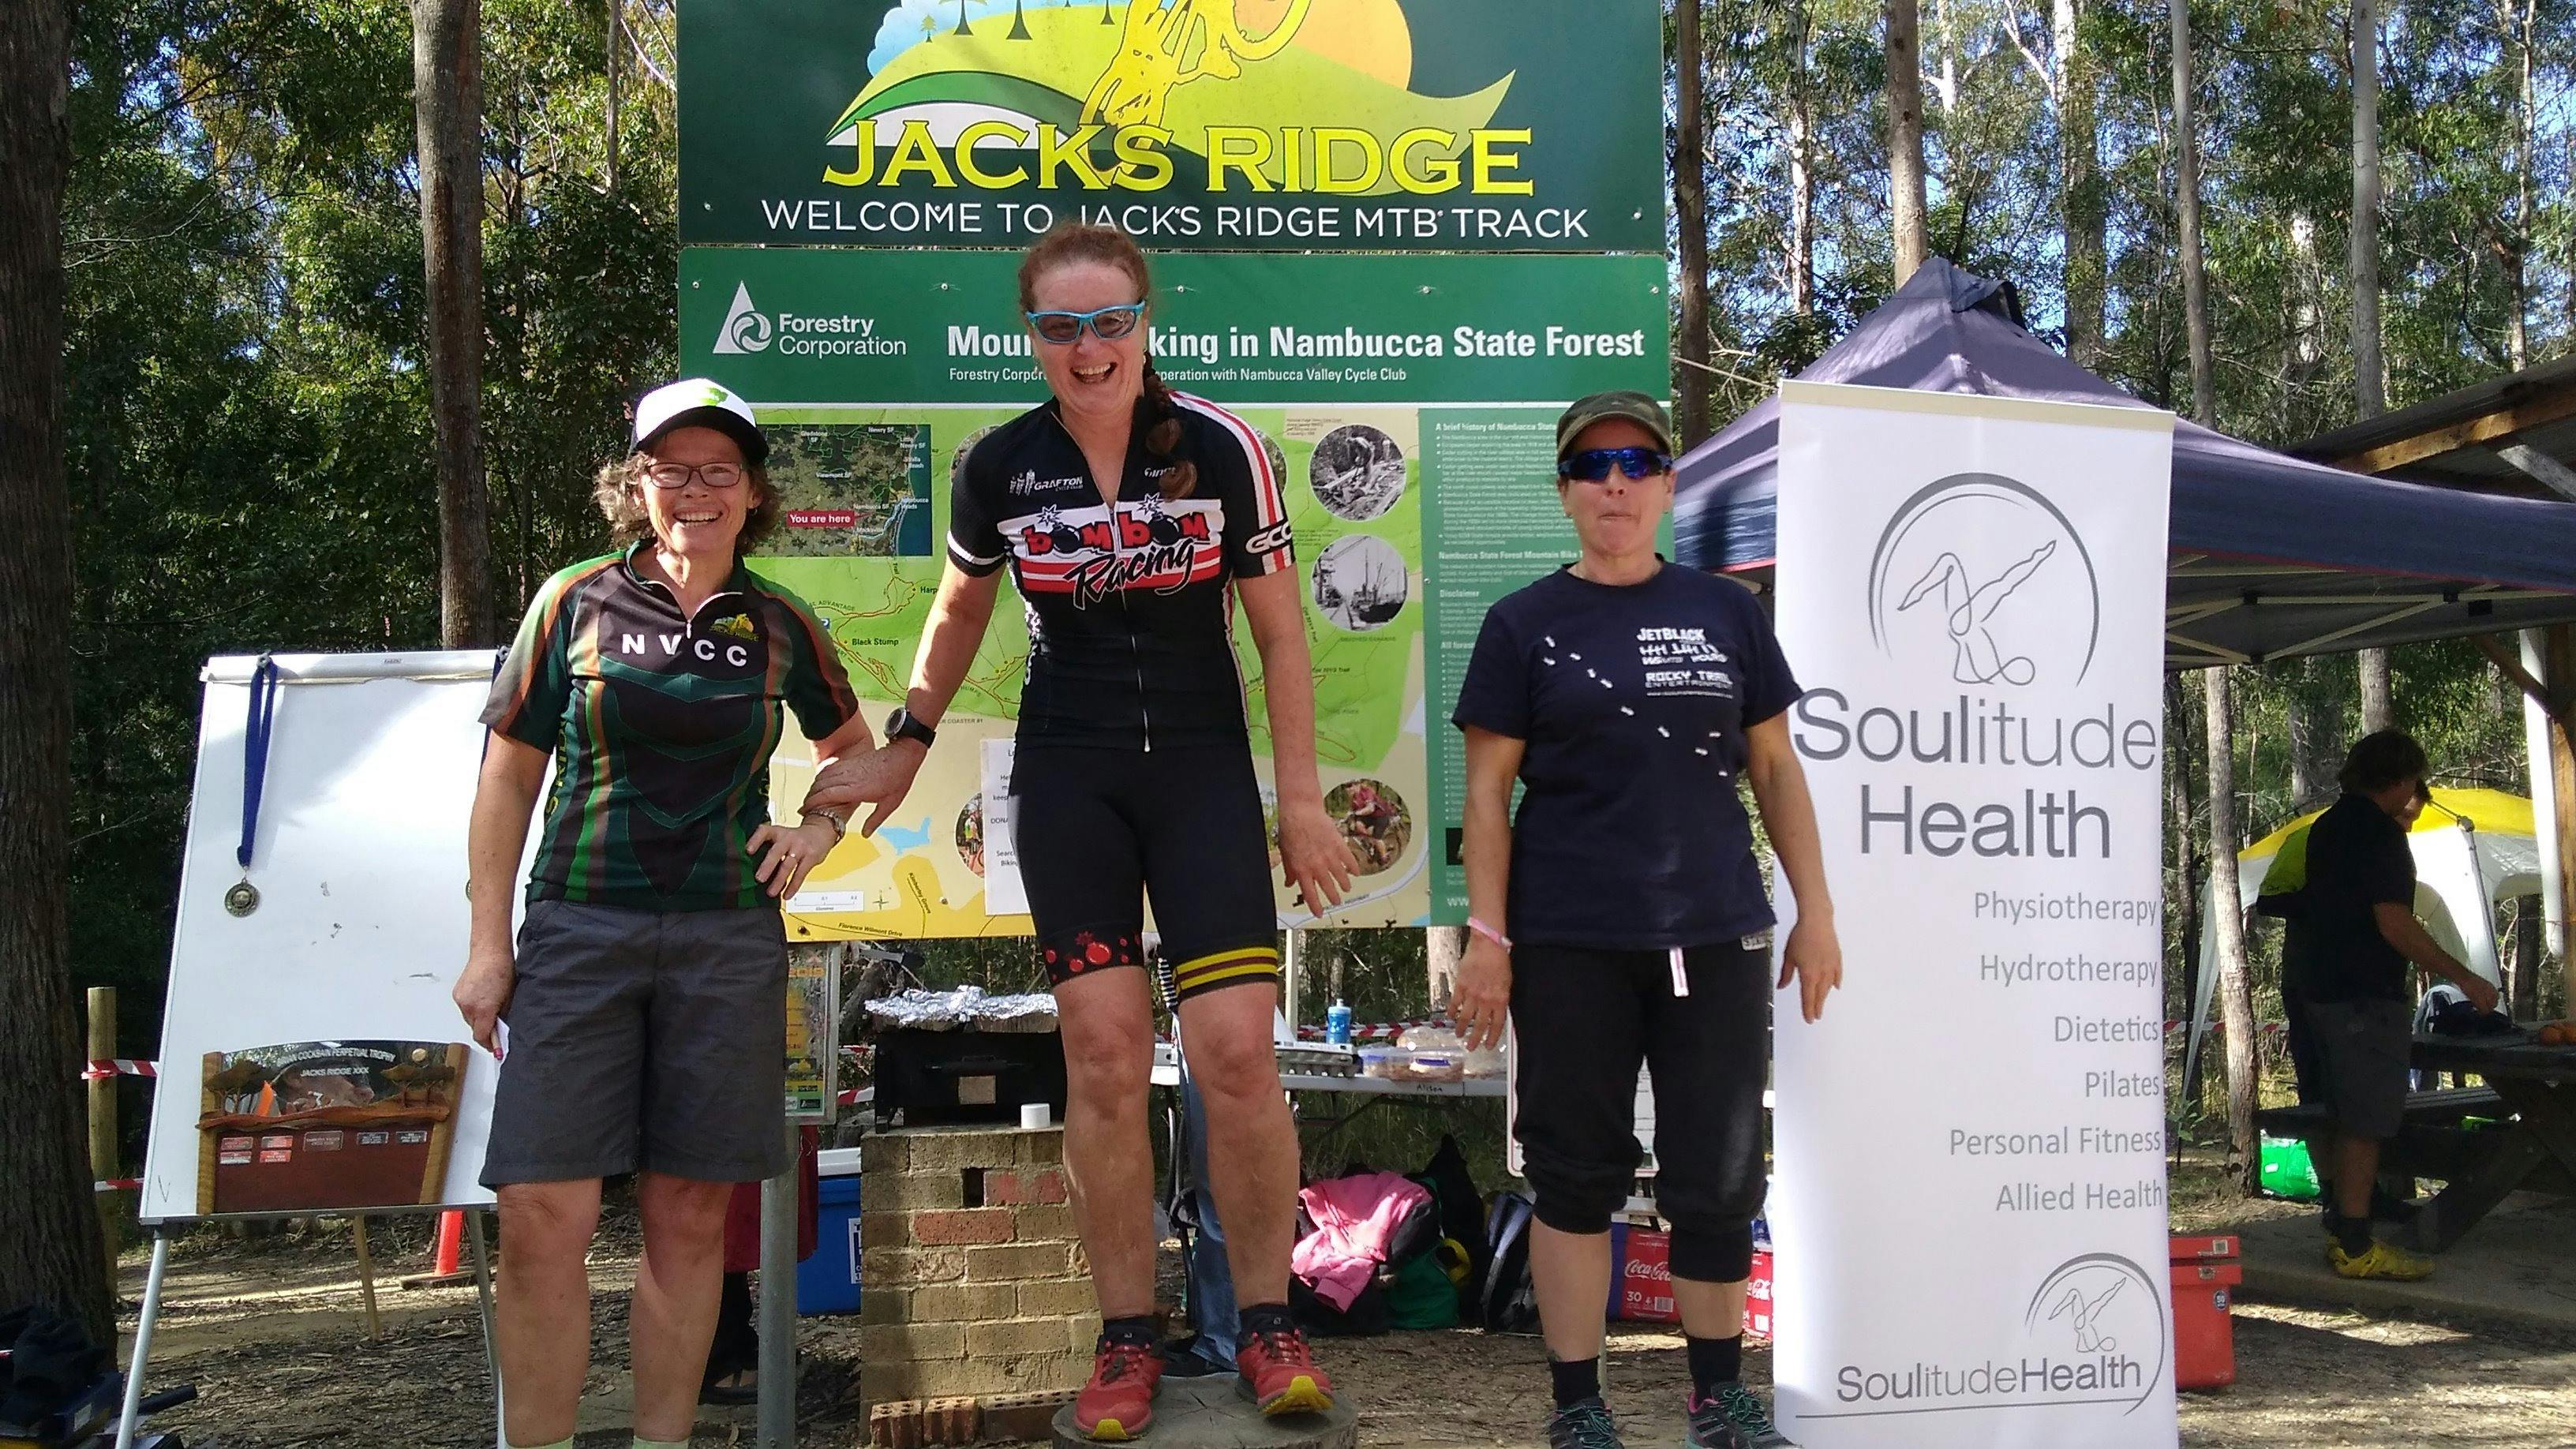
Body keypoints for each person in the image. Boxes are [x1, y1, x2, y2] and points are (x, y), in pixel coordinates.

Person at [801, 223, 1359, 1442]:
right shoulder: (1002, 465)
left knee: (1236, 1059)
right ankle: (1123, 1340)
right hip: (1070, 776)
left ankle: (1268, 1323)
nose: (1089, 347)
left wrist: (1301, 800)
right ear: (1033, 337)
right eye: (1063, 327)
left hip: (1203, 775)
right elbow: (956, 610)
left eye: (1110, 322)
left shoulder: (1223, 449)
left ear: (1146, 323)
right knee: (1103, 1061)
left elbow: (1277, 638)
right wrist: (906, 736)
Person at [454, 379, 874, 1449]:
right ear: (636, 484)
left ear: (752, 491)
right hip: (579, 929)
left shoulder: (782, 622)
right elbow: (506, 779)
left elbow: (856, 757)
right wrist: (486, 945)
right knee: (546, 1215)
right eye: (671, 468)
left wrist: (818, 833)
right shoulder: (573, 601)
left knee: (688, 1219)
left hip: (727, 941)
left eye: (718, 469)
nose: (696, 489)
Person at [1447, 392, 1841, 1449]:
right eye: (1592, 467)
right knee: (1575, 1179)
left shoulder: (1727, 611)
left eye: (1637, 463)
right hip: (1570, 940)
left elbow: (1773, 767)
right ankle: (1579, 1408)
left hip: (1715, 937)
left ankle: (1720, 1400)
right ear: (1565, 493)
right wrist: (1489, 941)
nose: (1615, 483)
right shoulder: (1522, 623)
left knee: (1719, 1181)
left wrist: (1816, 912)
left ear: (1668, 484)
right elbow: (1486, 796)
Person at [2289, 730, 2498, 1281]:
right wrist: (2465, 977)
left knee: (2340, 1108)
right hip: (2363, 994)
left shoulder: (2328, 826)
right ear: (2402, 779)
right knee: (2366, 1120)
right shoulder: (2380, 833)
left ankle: (2344, 1218)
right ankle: (2356, 1246)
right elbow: (2394, 922)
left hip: (2321, 987)